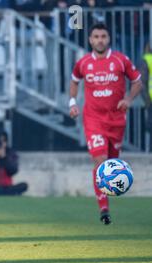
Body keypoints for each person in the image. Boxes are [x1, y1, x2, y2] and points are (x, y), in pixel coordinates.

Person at [69, 23, 142, 225]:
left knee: (111, 163)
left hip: (117, 120)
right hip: (93, 119)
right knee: (100, 161)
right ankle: (103, 208)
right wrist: (73, 102)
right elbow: (74, 80)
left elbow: (138, 81)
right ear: (90, 40)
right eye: (96, 36)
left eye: (103, 36)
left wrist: (128, 99)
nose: (100, 40)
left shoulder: (120, 60)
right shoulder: (83, 63)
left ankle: (108, 193)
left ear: (108, 39)